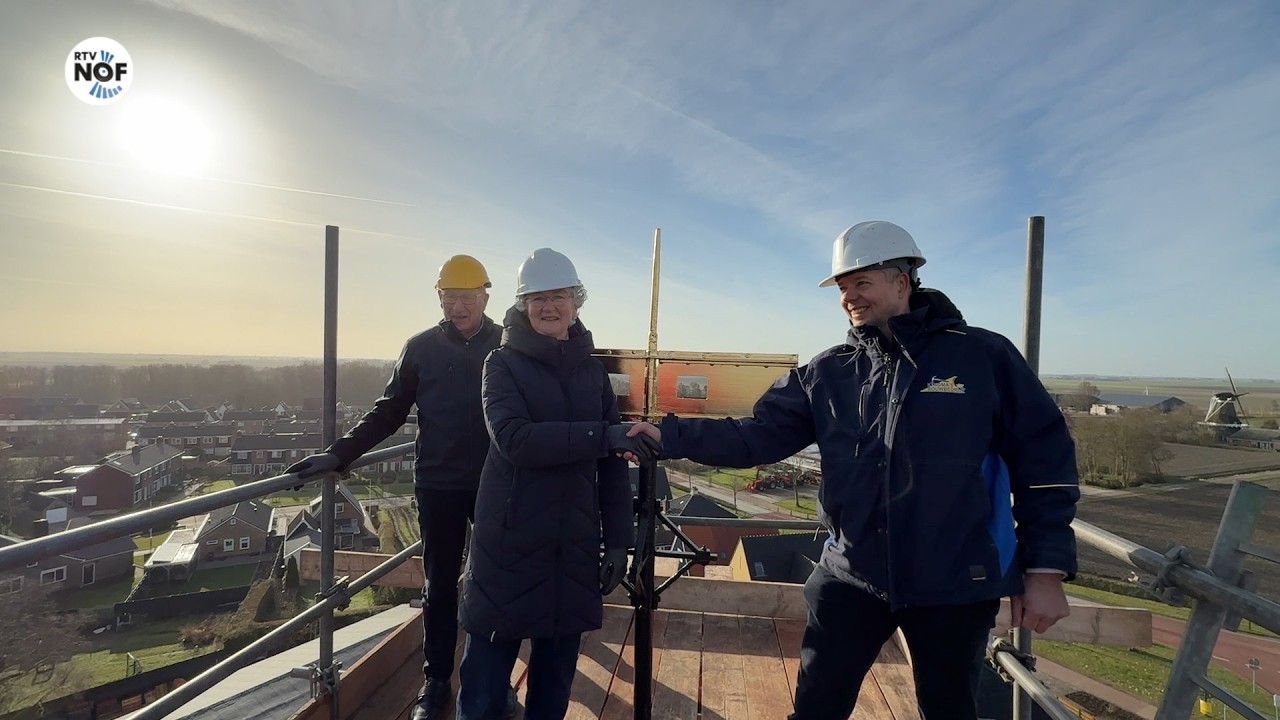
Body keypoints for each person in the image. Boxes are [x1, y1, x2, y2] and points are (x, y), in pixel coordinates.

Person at [629, 221, 1079, 719]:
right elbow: (755, 435)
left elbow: (1045, 462)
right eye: (843, 288)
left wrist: (1045, 570)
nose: (849, 297)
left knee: (949, 709)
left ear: (902, 281)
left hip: (953, 581)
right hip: (853, 575)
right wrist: (668, 436)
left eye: (861, 283)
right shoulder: (830, 372)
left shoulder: (982, 357)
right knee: (817, 707)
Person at [287, 254, 517, 720]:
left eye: (466, 298)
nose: (457, 307)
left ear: (486, 297)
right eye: (448, 298)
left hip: (495, 482)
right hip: (439, 484)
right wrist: (341, 453)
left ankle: (494, 684)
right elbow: (389, 411)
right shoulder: (421, 349)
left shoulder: (508, 345)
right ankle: (435, 685)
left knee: (496, 584)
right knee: (440, 587)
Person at [455, 248, 657, 720]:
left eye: (559, 297)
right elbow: (515, 440)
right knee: (484, 687)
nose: (550, 307)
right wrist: (601, 435)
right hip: (509, 542)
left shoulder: (592, 373)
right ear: (523, 305)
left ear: (577, 302)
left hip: (572, 544)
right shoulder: (501, 365)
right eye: (538, 298)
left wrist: (618, 543)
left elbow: (611, 464)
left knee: (554, 684)